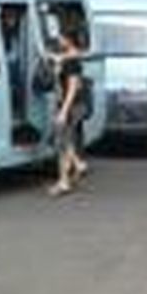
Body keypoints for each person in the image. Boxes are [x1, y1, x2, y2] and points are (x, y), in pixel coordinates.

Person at [48, 28, 89, 197]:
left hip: (70, 106)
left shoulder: (72, 61)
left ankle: (64, 181)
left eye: (61, 36)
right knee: (66, 139)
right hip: (70, 105)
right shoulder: (70, 57)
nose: (58, 39)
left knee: (61, 142)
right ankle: (78, 164)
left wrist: (64, 111)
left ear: (68, 40)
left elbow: (72, 88)